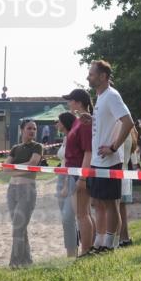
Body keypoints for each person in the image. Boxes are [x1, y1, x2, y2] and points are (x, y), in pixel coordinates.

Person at [86, 60, 135, 254]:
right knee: (99, 202)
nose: (88, 77)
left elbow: (128, 121)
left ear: (103, 76)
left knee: (111, 203)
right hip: (98, 161)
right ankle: (100, 243)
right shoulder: (101, 97)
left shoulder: (112, 95)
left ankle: (109, 244)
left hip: (110, 161)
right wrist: (92, 119)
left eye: (91, 74)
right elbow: (110, 121)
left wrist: (114, 147)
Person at [6, 119, 43, 267]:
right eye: (29, 128)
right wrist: (17, 168)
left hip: (27, 190)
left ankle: (14, 263)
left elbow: (32, 164)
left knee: (18, 227)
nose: (32, 131)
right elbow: (5, 168)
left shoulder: (37, 146)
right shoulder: (15, 148)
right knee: (20, 227)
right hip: (12, 190)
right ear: (22, 130)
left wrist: (13, 168)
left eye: (34, 129)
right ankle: (27, 261)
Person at [62, 88, 95, 254]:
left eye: (71, 100)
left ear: (79, 102)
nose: (69, 103)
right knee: (83, 213)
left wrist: (82, 177)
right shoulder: (78, 121)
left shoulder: (84, 122)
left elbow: (88, 151)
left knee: (82, 214)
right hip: (74, 171)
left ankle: (86, 250)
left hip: (79, 172)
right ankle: (90, 248)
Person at [54, 113, 79, 257]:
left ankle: (73, 250)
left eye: (58, 121)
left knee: (68, 216)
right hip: (61, 177)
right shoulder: (65, 138)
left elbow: (71, 162)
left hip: (69, 178)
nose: (56, 124)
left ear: (65, 122)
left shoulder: (73, 137)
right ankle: (71, 250)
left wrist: (65, 184)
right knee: (66, 219)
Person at [117, 124, 139, 247]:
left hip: (118, 172)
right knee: (122, 208)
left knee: (116, 208)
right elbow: (133, 155)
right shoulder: (130, 132)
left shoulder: (121, 131)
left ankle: (120, 238)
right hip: (125, 172)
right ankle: (125, 237)